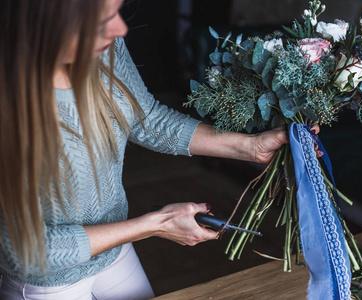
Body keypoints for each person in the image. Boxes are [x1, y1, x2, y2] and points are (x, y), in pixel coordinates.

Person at [0, 1, 321, 299]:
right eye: (101, 21)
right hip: (46, 280)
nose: (120, 30)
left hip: (115, 249)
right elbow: (26, 252)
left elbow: (147, 120)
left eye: (116, 12)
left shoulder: (104, 48)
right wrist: (156, 224)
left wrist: (251, 148)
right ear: (45, 23)